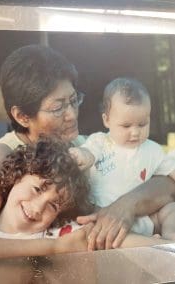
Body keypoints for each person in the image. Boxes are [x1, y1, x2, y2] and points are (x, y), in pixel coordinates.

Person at [0, 46, 175, 262]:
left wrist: (125, 206)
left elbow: (167, 182)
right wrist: (54, 248)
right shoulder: (3, 155)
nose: (71, 115)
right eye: (58, 108)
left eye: (73, 100)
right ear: (22, 116)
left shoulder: (83, 145)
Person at [70, 77, 175, 246]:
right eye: (126, 126)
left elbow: (171, 170)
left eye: (142, 124)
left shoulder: (152, 150)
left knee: (171, 210)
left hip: (145, 216)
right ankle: (151, 244)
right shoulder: (101, 142)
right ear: (107, 120)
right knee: (94, 228)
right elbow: (89, 154)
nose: (135, 133)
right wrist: (82, 156)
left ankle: (170, 241)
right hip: (105, 217)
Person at [0, 136, 92, 240]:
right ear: (18, 176)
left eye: (53, 206)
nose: (37, 208)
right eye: (37, 189)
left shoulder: (61, 238)